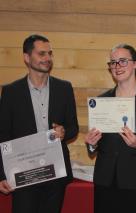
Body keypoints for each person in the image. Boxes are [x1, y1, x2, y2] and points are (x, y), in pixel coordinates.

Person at [0, 34, 79, 213]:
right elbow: (3, 134)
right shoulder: (11, 92)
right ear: (27, 58)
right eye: (41, 54)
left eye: (50, 53)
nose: (48, 58)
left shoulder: (64, 88)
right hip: (22, 173)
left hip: (55, 172)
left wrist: (64, 132)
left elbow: (73, 127)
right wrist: (2, 174)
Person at [84, 43, 136, 213]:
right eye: (113, 62)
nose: (117, 66)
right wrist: (91, 143)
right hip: (105, 181)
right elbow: (94, 148)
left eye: (122, 61)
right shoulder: (101, 101)